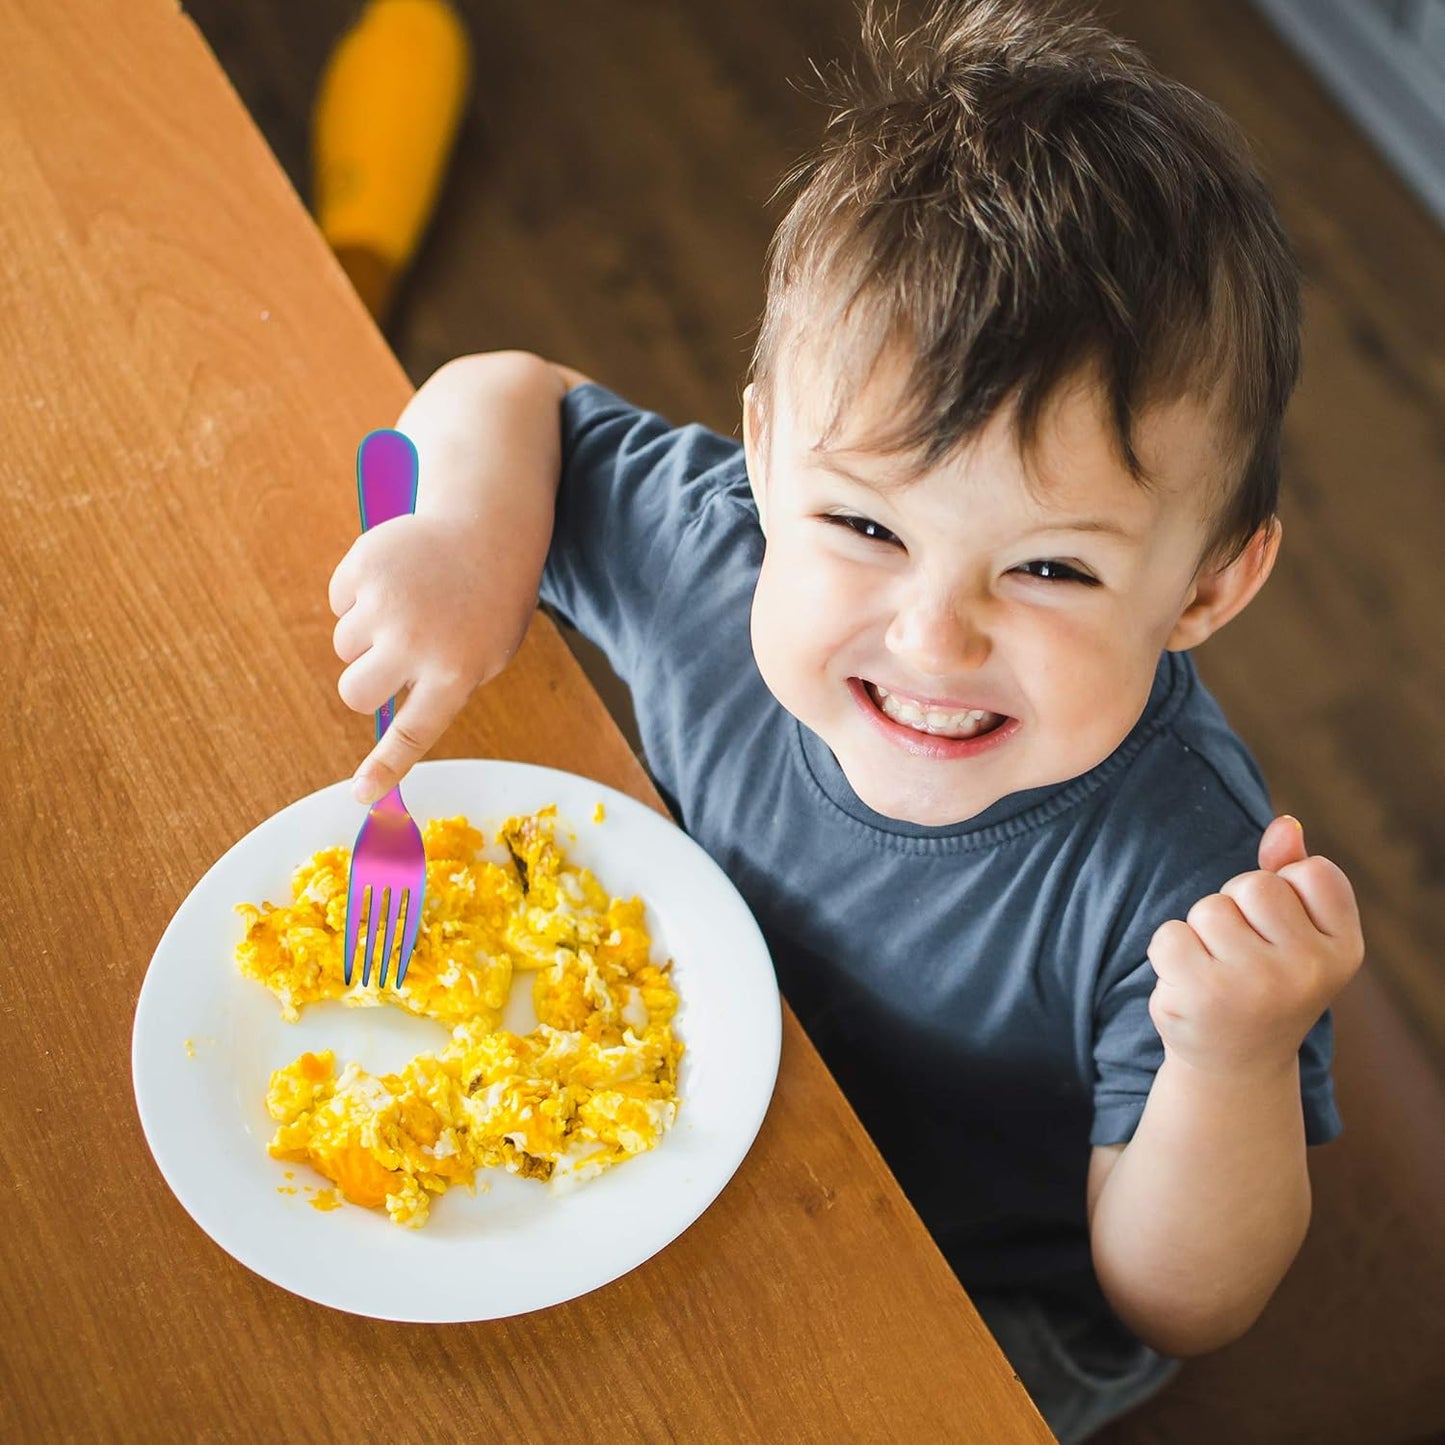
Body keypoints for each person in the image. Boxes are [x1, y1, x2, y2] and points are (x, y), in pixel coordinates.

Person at [326, 3, 1364, 1438]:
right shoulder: (717, 556)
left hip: (973, 1287)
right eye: (867, 527)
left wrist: (1229, 1057)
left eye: (1050, 569)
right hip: (682, 1112)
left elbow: (1175, 1303)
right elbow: (509, 393)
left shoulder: (1185, 880)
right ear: (762, 454)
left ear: (1205, 587)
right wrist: (462, 539)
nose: (933, 637)